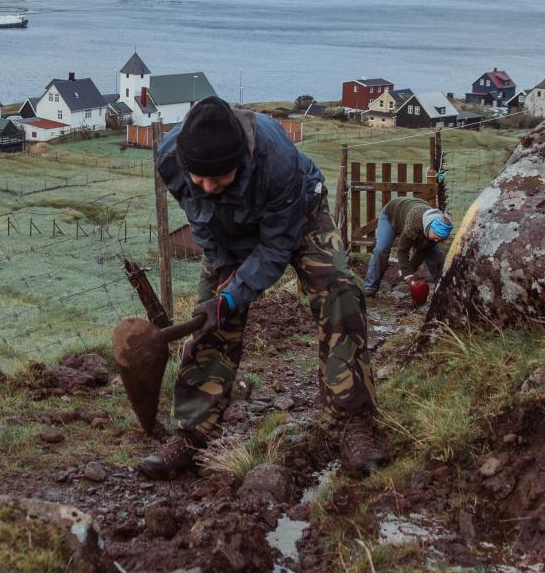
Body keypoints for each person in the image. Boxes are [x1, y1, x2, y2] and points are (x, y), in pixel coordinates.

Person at [138, 97, 389, 480]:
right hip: (228, 233)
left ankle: (353, 422)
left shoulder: (276, 159)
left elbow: (275, 248)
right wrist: (224, 292)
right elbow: (200, 220)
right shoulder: (172, 158)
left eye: (218, 177)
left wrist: (236, 292)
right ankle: (190, 434)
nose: (206, 186)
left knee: (341, 293)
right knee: (211, 319)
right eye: (198, 178)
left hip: (297, 217)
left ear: (240, 159)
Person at [361, 196, 453, 296]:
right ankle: (370, 288)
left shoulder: (439, 227)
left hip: (414, 209)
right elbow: (402, 250)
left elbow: (421, 253)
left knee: (436, 255)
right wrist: (408, 274)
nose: (437, 240)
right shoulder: (414, 223)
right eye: (436, 237)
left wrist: (408, 275)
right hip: (392, 213)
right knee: (381, 249)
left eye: (439, 239)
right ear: (431, 228)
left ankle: (442, 292)